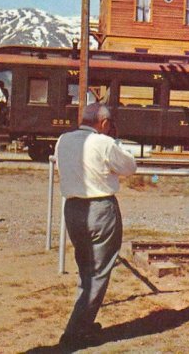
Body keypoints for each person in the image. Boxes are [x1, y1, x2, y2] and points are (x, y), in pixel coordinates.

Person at [54, 103, 137, 349]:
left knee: (86, 269)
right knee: (98, 272)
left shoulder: (63, 140)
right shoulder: (104, 142)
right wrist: (115, 144)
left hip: (72, 209)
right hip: (100, 209)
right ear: (103, 123)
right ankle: (74, 333)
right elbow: (129, 167)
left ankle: (84, 321)